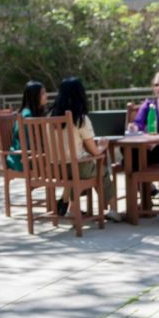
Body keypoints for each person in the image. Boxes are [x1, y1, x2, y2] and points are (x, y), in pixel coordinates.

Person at [50, 77, 122, 222]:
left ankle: (72, 208)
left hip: (54, 169)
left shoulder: (48, 117)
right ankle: (113, 209)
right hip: (77, 168)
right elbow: (95, 152)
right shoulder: (80, 119)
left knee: (79, 170)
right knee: (101, 168)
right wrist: (103, 146)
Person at [6, 81, 47, 172]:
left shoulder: (31, 113)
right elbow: (28, 144)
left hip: (28, 156)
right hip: (23, 160)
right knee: (57, 164)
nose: (46, 96)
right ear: (35, 96)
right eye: (43, 93)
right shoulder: (27, 115)